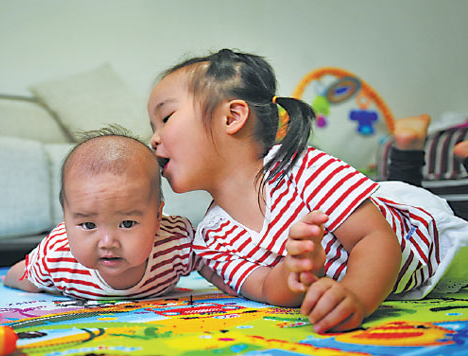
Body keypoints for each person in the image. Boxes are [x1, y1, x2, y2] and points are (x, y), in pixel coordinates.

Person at [147, 48, 468, 333]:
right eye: (153, 127)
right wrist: (295, 269)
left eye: (166, 117)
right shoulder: (209, 242)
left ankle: (410, 151)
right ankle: (407, 147)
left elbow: (373, 238)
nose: (154, 139)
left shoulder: (300, 167)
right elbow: (267, 288)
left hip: (428, 243)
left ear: (231, 117)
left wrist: (356, 295)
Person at [3, 125, 221, 300]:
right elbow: (23, 276)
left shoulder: (178, 242)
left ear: (157, 218)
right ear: (66, 219)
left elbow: (216, 268)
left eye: (127, 223)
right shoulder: (56, 256)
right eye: (89, 225)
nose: (107, 242)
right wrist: (10, 279)